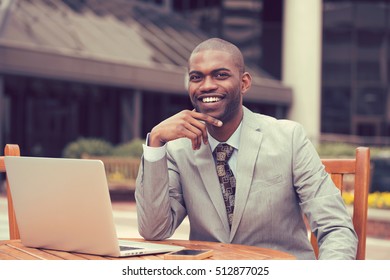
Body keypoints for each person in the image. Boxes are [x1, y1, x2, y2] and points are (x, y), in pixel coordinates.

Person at [135, 37, 358, 260]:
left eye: (220, 75)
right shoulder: (177, 149)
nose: (207, 85)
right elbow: (155, 230)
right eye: (196, 77)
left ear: (244, 83)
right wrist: (155, 142)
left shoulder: (289, 138)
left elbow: (336, 228)